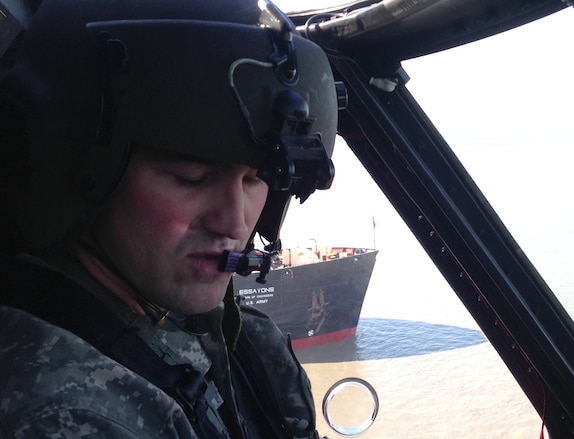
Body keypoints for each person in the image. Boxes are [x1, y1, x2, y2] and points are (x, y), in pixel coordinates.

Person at [0, 0, 340, 437]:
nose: (235, 224)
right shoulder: (68, 412)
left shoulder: (245, 342)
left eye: (256, 179)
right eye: (190, 177)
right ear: (66, 169)